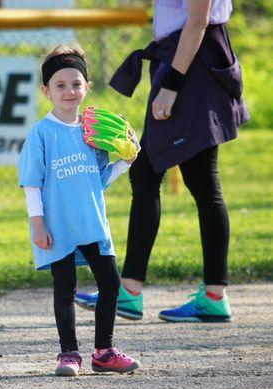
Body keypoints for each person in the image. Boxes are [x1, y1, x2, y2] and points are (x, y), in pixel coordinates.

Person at [75, 0, 249, 323]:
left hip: (191, 66)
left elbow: (197, 22)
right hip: (185, 61)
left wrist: (171, 84)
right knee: (182, 180)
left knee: (158, 175)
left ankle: (136, 291)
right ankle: (196, 294)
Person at [17, 44, 139, 376]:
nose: (69, 91)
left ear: (87, 87)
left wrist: (126, 161)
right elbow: (32, 183)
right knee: (65, 289)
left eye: (76, 83)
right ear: (46, 91)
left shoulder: (93, 131)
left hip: (92, 222)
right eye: (60, 85)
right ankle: (69, 353)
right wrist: (37, 223)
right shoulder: (42, 133)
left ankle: (104, 351)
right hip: (58, 225)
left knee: (111, 283)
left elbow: (99, 179)